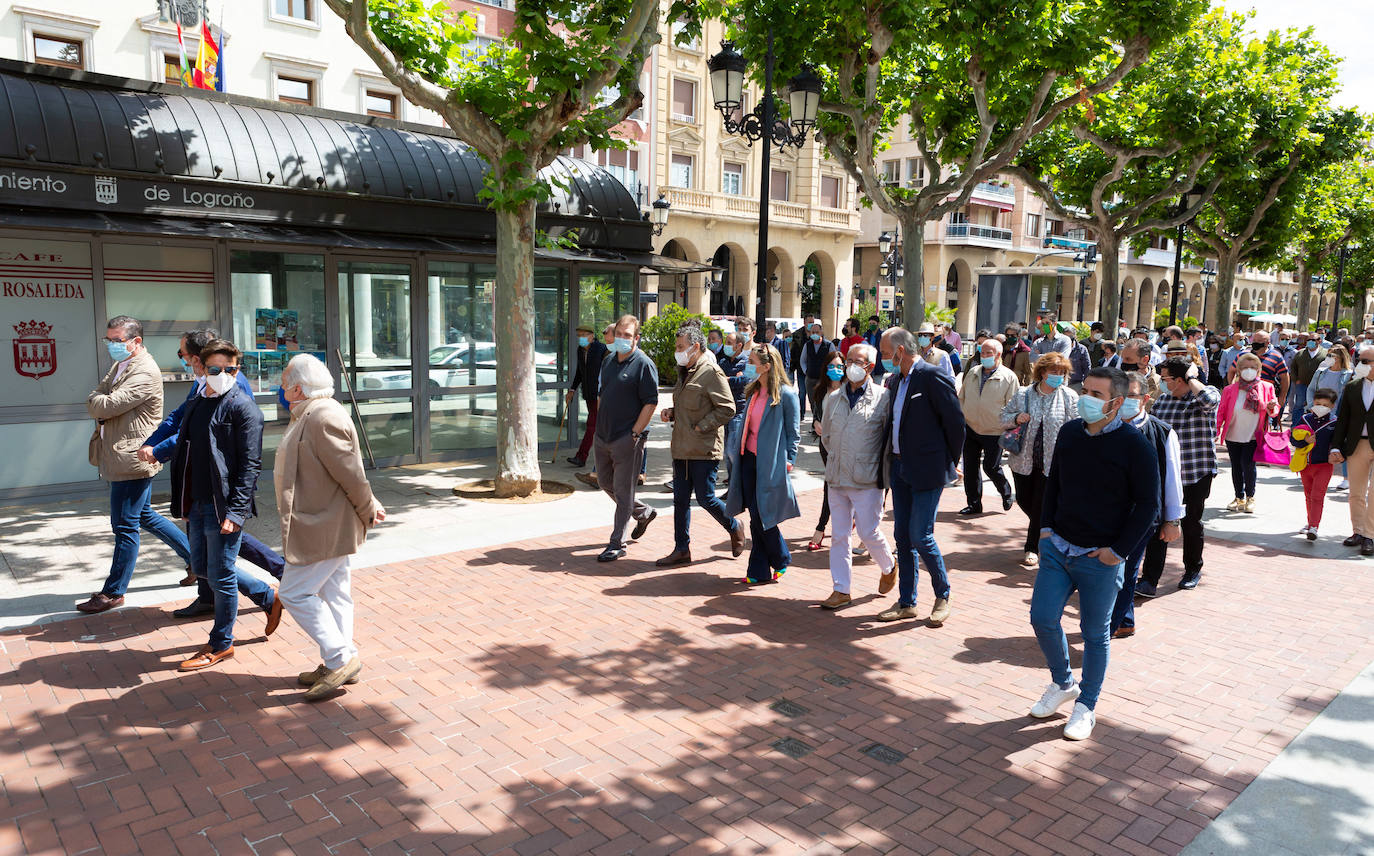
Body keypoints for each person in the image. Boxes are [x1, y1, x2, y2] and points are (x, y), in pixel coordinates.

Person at [1028, 366, 1160, 741]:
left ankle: (1086, 705)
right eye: (1084, 390)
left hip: (1100, 557)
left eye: (1096, 395)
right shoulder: (1071, 432)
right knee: (1042, 618)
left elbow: (1148, 505)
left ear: (1117, 402)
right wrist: (1046, 530)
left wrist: (1117, 552)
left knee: (1095, 633)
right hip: (1058, 547)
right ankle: (1063, 683)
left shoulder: (1136, 445)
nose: (1086, 399)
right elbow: (1054, 482)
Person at [142, 328, 287, 620]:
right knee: (209, 560)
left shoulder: (234, 389)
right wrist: (152, 442)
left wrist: (158, 452)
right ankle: (213, 596)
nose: (181, 359)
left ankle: (241, 615)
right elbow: (180, 423)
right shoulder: (200, 387)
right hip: (199, 489)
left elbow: (244, 457)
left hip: (224, 490)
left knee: (221, 558)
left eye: (182, 354)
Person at [273, 354, 384, 700]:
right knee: (334, 593)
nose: (281, 387)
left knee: (294, 593)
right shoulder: (311, 413)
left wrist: (368, 508)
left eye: (285, 381)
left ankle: (338, 658)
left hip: (325, 524)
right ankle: (342, 657)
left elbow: (350, 472)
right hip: (323, 521)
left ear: (299, 389)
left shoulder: (322, 416)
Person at [171, 339, 280, 672]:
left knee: (219, 574)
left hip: (224, 505)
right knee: (203, 567)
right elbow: (185, 447)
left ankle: (221, 643)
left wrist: (235, 512)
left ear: (238, 369)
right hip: (197, 500)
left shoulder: (243, 407)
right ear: (203, 368)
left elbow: (250, 465)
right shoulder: (197, 402)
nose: (222, 374)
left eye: (229, 369)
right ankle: (267, 596)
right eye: (215, 369)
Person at [77, 316, 194, 614]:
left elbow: (106, 404)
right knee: (143, 516)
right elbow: (96, 397)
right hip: (121, 454)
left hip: (133, 457)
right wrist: (99, 401)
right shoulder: (121, 365)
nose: (111, 346)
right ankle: (197, 560)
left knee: (125, 525)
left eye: (116, 340)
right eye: (109, 340)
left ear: (135, 341)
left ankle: (114, 592)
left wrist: (99, 402)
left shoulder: (145, 370)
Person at [877, 327, 963, 625]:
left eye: (886, 354)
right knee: (902, 536)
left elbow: (955, 423)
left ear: (900, 351)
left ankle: (943, 594)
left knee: (921, 535)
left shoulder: (932, 375)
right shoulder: (895, 380)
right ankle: (906, 602)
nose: (883, 359)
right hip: (900, 467)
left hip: (928, 469)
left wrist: (949, 463)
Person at [656, 325, 745, 567]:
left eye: (680, 347)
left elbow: (728, 408)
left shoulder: (711, 372)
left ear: (695, 347)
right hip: (682, 447)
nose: (677, 352)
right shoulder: (684, 371)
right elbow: (689, 405)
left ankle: (734, 525)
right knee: (680, 500)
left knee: (706, 499)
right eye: (677, 347)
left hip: (704, 448)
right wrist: (672, 413)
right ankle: (681, 549)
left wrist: (702, 426)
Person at [817, 344, 896, 608]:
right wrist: (839, 457)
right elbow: (826, 436)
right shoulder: (835, 397)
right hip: (837, 475)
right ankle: (841, 589)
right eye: (848, 359)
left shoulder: (884, 398)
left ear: (870, 367)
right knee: (839, 535)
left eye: (857, 361)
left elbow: (886, 439)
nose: (849, 365)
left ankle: (889, 565)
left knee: (868, 531)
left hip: (867, 477)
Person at [1110, 370, 1183, 638]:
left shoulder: (1162, 432)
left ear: (1145, 398)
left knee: (1126, 570)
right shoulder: (1104, 426)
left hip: (1143, 518)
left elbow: (1172, 479)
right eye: (1119, 396)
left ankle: (1110, 625)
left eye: (1131, 396)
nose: (1125, 401)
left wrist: (1172, 519)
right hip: (1106, 513)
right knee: (1112, 570)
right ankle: (1125, 620)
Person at [1139, 357, 1221, 596]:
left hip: (1196, 472)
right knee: (1159, 525)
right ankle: (1149, 579)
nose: (1161, 382)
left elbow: (1209, 401)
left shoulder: (1203, 395)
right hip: (1166, 474)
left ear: (1178, 380)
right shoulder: (1163, 401)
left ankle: (1193, 570)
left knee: (1191, 523)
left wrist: (1192, 377)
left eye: (1165, 378)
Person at [724, 344, 800, 583]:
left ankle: (777, 558)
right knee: (757, 515)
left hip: (770, 463)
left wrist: (789, 461)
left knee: (761, 514)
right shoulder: (753, 391)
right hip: (748, 460)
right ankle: (764, 567)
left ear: (766, 367)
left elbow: (793, 433)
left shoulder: (786, 395)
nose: (749, 366)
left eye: (753, 362)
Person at [1001, 352, 1078, 568]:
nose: (1058, 376)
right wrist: (1016, 418)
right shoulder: (1024, 394)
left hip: (1053, 463)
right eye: (1054, 371)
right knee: (1025, 501)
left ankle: (1032, 547)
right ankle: (1048, 526)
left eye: (1062, 372)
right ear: (1042, 372)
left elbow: (1078, 426)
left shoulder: (1069, 396)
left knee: (1040, 506)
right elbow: (1003, 417)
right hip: (1022, 461)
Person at [593, 315, 658, 561]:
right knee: (605, 483)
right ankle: (643, 512)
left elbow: (650, 402)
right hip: (603, 436)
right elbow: (602, 394)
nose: (621, 338)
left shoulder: (643, 364)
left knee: (623, 491)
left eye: (627, 335)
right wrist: (599, 426)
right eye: (619, 333)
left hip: (627, 439)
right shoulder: (608, 360)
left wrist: (634, 434)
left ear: (636, 338)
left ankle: (617, 543)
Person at [957, 338, 1017, 516]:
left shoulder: (1008, 377)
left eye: (988, 354)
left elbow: (1013, 406)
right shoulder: (974, 372)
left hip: (994, 430)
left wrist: (1009, 428)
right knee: (970, 468)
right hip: (971, 427)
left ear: (998, 355)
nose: (984, 357)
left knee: (991, 467)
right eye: (982, 353)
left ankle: (1006, 492)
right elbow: (963, 397)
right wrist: (962, 417)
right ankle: (974, 504)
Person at [1216, 351, 1280, 514]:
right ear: (1238, 370)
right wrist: (1216, 430)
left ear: (1258, 370)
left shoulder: (1267, 387)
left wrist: (1272, 407)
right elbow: (1221, 411)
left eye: (1253, 367)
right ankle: (1239, 497)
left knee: (1248, 464)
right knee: (1236, 467)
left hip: (1254, 434)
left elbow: (1274, 411)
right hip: (1233, 434)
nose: (1249, 370)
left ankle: (1250, 497)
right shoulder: (1230, 389)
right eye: (1245, 367)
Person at [1329, 348, 1374, 555]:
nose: (1361, 364)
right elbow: (1343, 419)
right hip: (1357, 445)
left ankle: (1369, 535)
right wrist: (1336, 446)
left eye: (1366, 361)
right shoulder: (1353, 387)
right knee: (1356, 492)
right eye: (1360, 360)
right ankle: (1358, 531)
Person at [807, 350, 846, 550]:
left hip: (847, 447)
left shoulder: (851, 390)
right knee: (831, 483)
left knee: (835, 485)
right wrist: (815, 423)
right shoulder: (820, 390)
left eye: (840, 366)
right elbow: (816, 414)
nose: (836, 370)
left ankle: (821, 528)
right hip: (826, 444)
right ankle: (824, 527)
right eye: (832, 366)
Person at [1292, 388, 1339, 540]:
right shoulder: (1305, 419)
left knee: (1318, 496)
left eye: (1325, 404)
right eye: (1318, 403)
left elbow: (1338, 442)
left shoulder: (1334, 422)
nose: (1320, 406)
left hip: (1324, 465)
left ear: (1332, 406)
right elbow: (1293, 438)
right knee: (1308, 495)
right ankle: (1309, 522)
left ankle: (1314, 526)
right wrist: (1304, 441)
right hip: (1305, 464)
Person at [1309, 344, 1353, 490]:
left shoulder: (1348, 374)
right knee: (1318, 442)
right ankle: (1314, 471)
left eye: (1333, 356)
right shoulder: (1321, 372)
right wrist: (1311, 406)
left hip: (1338, 414)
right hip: (1318, 412)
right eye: (1329, 355)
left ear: (1341, 358)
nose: (1330, 359)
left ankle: (1346, 478)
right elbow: (1311, 389)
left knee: (1341, 445)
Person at [566, 322, 608, 468]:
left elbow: (607, 373)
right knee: (596, 426)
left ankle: (581, 457)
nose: (581, 338)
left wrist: (602, 393)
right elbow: (580, 372)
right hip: (589, 394)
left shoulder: (601, 349)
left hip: (600, 395)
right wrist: (572, 389)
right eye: (579, 336)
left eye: (584, 335)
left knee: (592, 425)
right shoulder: (580, 350)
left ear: (592, 336)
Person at [802, 322, 837, 421]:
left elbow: (834, 359)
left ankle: (822, 421)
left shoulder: (829, 345)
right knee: (812, 402)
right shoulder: (807, 345)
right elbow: (803, 361)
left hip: (823, 379)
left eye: (817, 332)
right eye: (813, 332)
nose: (815, 334)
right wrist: (807, 371)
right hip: (810, 379)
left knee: (822, 401)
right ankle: (815, 422)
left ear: (821, 332)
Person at [1290, 331, 1327, 425]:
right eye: (1309, 340)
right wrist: (1296, 380)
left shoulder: (1325, 354)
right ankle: (1295, 426)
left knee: (1317, 406)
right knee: (1299, 405)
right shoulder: (1300, 353)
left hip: (1318, 386)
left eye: (1313, 340)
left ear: (1319, 341)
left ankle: (1314, 426)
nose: (1310, 342)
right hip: (1302, 384)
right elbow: (1293, 368)